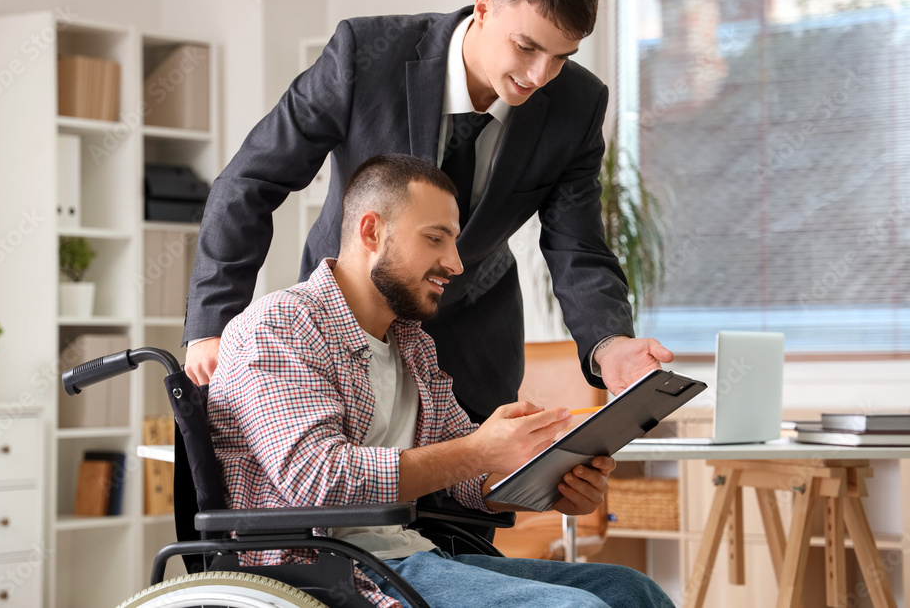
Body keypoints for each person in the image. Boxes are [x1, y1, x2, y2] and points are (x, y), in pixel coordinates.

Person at [186, 0, 674, 420]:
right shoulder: (365, 57)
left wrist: (610, 345)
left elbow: (578, 247)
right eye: (526, 46)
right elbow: (250, 182)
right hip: (341, 329)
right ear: (484, 8)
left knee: (473, 496)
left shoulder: (577, 105)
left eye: (561, 57)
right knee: (345, 491)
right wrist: (212, 327)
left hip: (473, 349)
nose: (538, 75)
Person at [207, 154, 674, 608]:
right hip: (322, 570)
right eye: (435, 239)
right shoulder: (279, 326)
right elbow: (319, 482)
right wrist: (479, 449)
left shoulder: (412, 344)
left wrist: (550, 482)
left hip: (408, 557)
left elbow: (465, 477)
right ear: (372, 231)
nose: (455, 262)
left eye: (453, 241)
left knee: (632, 592)